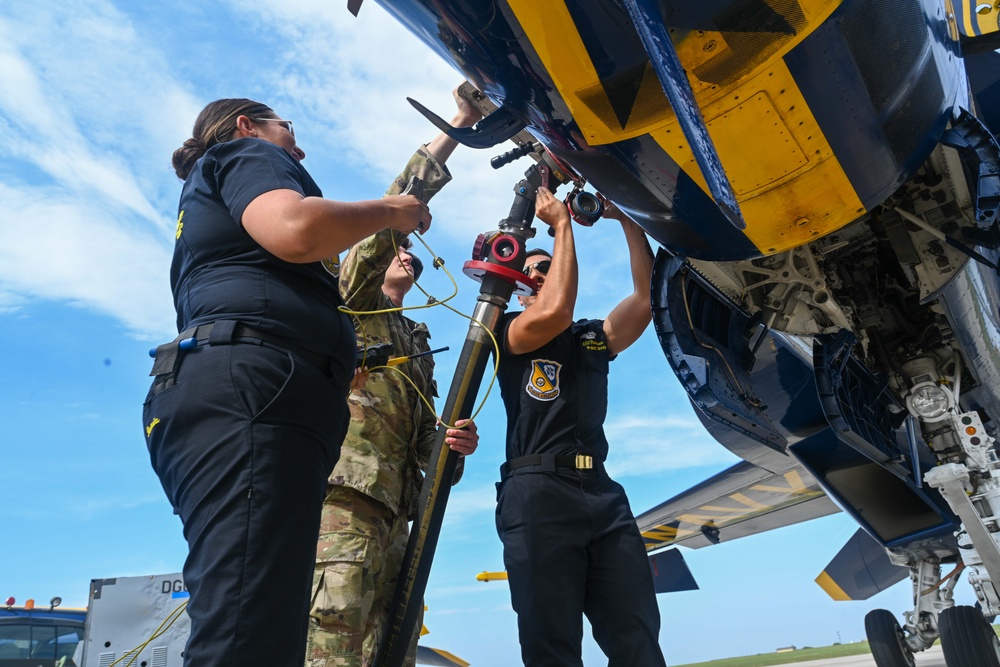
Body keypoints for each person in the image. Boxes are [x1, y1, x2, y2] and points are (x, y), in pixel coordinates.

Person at [143, 98, 431, 667]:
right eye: (288, 131)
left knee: (262, 620)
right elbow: (297, 229)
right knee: (249, 630)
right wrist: (393, 211)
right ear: (247, 125)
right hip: (253, 391)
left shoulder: (216, 204)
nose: (297, 149)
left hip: (243, 391)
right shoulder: (244, 152)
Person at [306, 88, 482, 667]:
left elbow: (425, 442)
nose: (409, 253)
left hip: (398, 515)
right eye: (398, 247)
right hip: (347, 506)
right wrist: (460, 122)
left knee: (393, 648)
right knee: (336, 643)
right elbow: (389, 215)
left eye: (413, 250)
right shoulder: (354, 308)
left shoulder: (414, 343)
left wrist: (452, 446)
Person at [493, 187, 667, 667]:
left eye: (547, 267)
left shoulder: (591, 338)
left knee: (637, 636)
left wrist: (626, 218)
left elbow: (647, 298)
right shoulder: (509, 333)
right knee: (552, 643)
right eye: (529, 271)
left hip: (601, 492)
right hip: (537, 490)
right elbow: (554, 312)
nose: (539, 274)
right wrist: (561, 225)